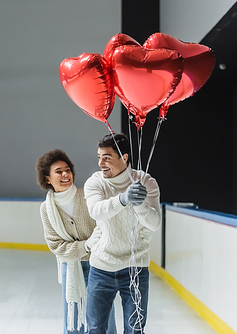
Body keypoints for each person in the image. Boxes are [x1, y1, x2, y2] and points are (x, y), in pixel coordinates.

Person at [83, 133, 161, 334]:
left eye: (107, 157)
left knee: (135, 330)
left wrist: (140, 204)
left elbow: (154, 224)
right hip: (101, 268)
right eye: (99, 157)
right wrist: (123, 199)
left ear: (124, 157)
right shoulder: (95, 182)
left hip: (135, 268)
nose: (101, 163)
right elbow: (96, 210)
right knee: (95, 329)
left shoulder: (146, 182)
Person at [36, 149, 117, 334]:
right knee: (73, 318)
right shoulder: (46, 209)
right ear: (47, 178)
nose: (65, 174)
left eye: (67, 170)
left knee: (104, 317)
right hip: (71, 267)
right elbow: (56, 245)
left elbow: (106, 222)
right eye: (58, 171)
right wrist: (86, 245)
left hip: (99, 264)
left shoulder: (88, 196)